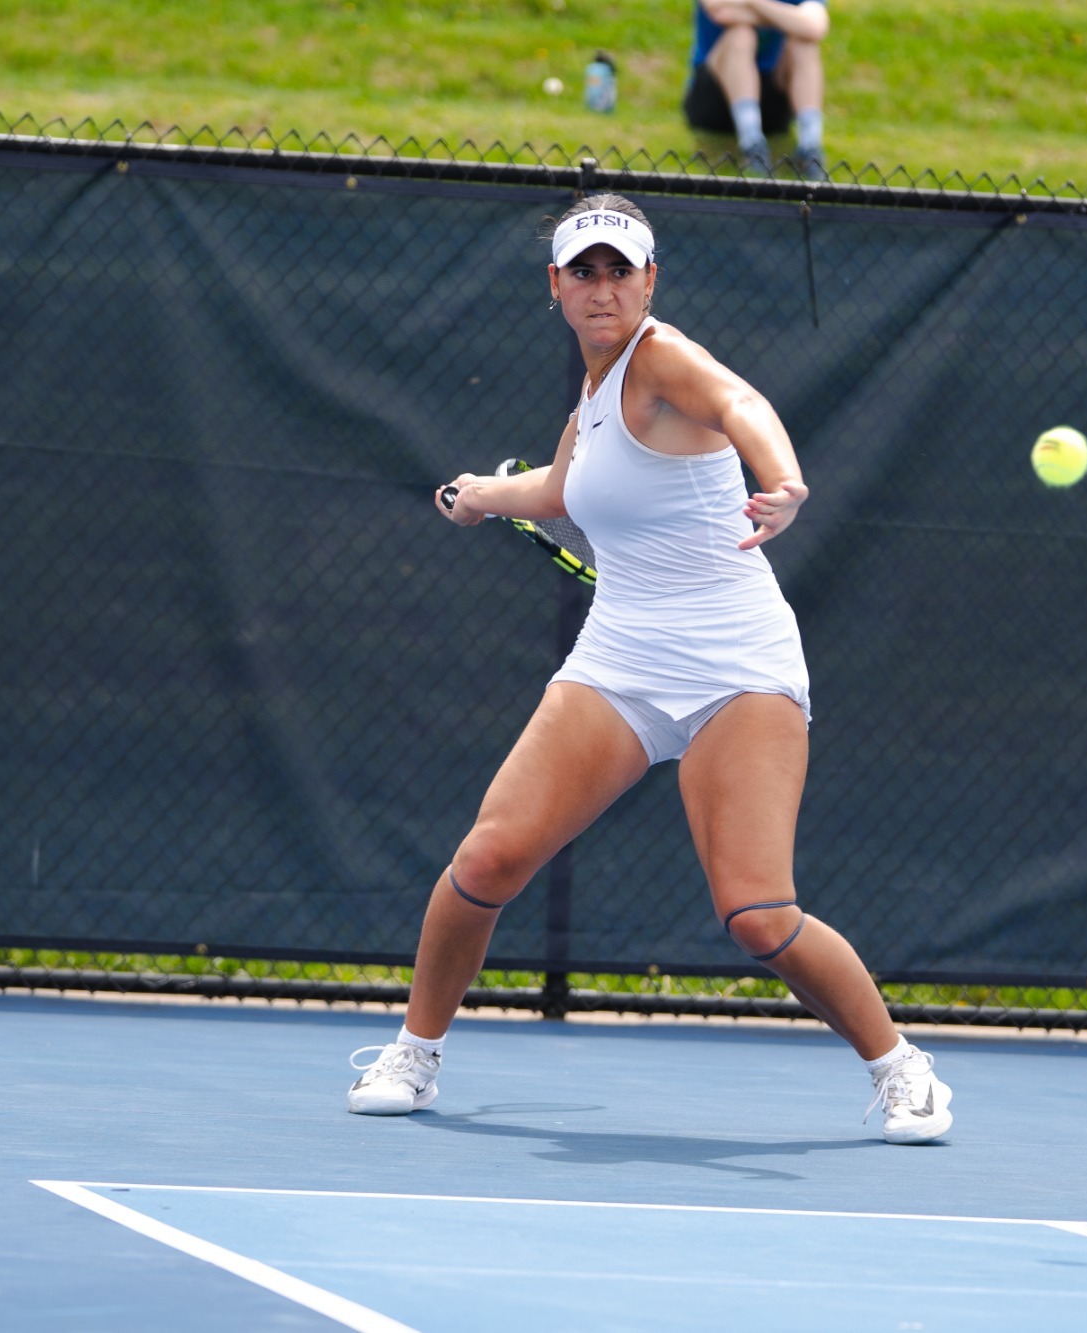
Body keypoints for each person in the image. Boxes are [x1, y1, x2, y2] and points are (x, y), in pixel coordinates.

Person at [345, 194, 953, 1145]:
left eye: (618, 270)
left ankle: (901, 1068)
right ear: (554, 286)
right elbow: (559, 489)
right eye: (581, 271)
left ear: (649, 280)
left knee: (755, 912)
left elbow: (741, 403)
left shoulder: (665, 357)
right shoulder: (588, 401)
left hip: (736, 665)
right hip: (622, 656)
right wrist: (478, 497)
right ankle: (414, 1054)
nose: (601, 287)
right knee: (488, 857)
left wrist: (783, 481)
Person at [683, 0, 830, 180]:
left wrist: (751, 3)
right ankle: (752, 146)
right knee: (741, 35)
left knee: (804, 44)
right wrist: (789, 17)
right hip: (714, 99)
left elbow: (814, 27)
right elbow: (720, 10)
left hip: (772, 100)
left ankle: (810, 148)